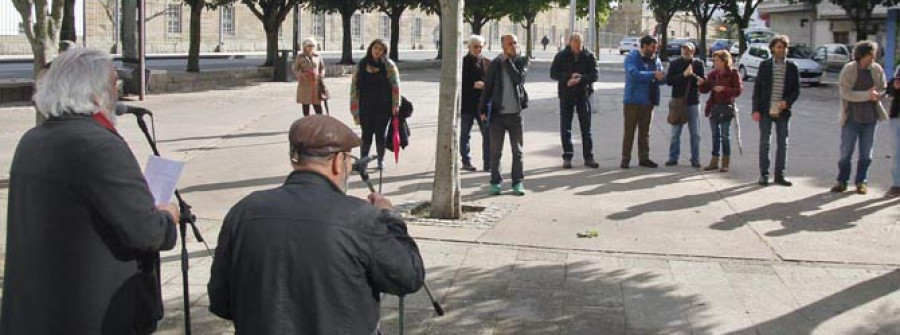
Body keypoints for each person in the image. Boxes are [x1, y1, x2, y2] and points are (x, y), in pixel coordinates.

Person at [1, 47, 179, 334]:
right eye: (112, 84)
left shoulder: (32, 139)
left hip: (41, 309)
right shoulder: (99, 146)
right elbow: (146, 232)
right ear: (95, 93)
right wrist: (167, 217)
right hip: (92, 315)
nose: (116, 93)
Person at [208, 115, 425, 335]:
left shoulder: (244, 210)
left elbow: (220, 301)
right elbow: (409, 276)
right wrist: (390, 217)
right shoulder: (360, 217)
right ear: (337, 161)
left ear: (294, 158)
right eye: (349, 159)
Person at [831, 41, 887, 195]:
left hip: (870, 118)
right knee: (845, 153)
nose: (873, 58)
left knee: (866, 154)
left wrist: (878, 95)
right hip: (851, 117)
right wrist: (867, 95)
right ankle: (841, 181)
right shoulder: (849, 69)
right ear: (862, 55)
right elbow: (845, 93)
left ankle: (861, 181)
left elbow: (883, 88)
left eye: (874, 55)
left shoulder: (877, 69)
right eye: (870, 55)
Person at [479, 34, 530, 196]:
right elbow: (487, 87)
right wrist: (481, 110)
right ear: (503, 46)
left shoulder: (522, 61)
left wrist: (508, 61)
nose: (513, 46)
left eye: (515, 42)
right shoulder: (495, 64)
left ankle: (517, 182)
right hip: (497, 115)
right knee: (495, 151)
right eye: (510, 43)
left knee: (517, 151)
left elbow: (518, 79)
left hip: (515, 114)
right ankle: (495, 182)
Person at [752, 35, 801, 186]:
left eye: (784, 47)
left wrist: (787, 102)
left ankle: (780, 175)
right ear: (773, 48)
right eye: (779, 47)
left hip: (783, 111)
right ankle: (764, 174)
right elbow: (757, 88)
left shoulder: (792, 67)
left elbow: (796, 90)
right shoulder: (765, 65)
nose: (782, 50)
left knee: (782, 143)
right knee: (765, 142)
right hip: (766, 109)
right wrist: (755, 109)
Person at [550, 33, 599, 169]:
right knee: (566, 127)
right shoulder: (561, 56)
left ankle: (588, 157)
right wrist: (568, 78)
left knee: (586, 128)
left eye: (580, 45)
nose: (577, 48)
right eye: (575, 45)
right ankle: (567, 156)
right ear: (570, 43)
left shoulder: (588, 56)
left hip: (583, 94)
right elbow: (553, 73)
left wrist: (581, 78)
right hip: (567, 94)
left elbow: (595, 75)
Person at [351, 39, 401, 169]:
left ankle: (380, 159)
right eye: (375, 48)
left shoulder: (388, 65)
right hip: (365, 105)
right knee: (366, 134)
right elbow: (354, 87)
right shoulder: (362, 64)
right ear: (370, 49)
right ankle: (363, 160)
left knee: (380, 134)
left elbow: (395, 85)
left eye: (380, 49)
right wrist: (354, 106)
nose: (377, 51)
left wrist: (396, 104)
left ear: (384, 51)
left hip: (383, 105)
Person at [622, 35, 665, 169]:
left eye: (655, 48)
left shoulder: (656, 60)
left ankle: (644, 158)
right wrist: (653, 75)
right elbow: (634, 74)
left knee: (645, 132)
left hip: (648, 101)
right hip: (633, 100)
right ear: (644, 46)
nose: (654, 50)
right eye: (652, 47)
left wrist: (662, 77)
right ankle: (625, 159)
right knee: (629, 131)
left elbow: (661, 77)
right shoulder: (632, 57)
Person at [699, 50, 743, 172]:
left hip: (726, 107)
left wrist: (724, 89)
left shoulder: (733, 73)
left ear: (725, 61)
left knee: (725, 135)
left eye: (718, 60)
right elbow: (706, 89)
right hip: (714, 106)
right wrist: (701, 84)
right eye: (715, 60)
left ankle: (725, 162)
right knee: (715, 135)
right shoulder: (713, 74)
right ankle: (714, 160)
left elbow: (738, 90)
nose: (716, 63)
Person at [665, 42, 705, 168]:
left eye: (688, 49)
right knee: (675, 133)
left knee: (695, 133)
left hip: (693, 102)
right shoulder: (675, 64)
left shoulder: (698, 64)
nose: (686, 51)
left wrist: (698, 79)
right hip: (678, 101)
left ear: (693, 51)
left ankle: (695, 159)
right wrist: (683, 75)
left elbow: (702, 81)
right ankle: (673, 157)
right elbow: (669, 81)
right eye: (684, 49)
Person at [461, 35, 491, 172]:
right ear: (469, 47)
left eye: (480, 47)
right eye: (475, 47)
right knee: (465, 133)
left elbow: (491, 83)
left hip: (482, 104)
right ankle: (466, 161)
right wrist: (473, 85)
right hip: (467, 103)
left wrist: (485, 85)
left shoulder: (486, 62)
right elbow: (460, 83)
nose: (478, 49)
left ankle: (488, 162)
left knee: (487, 133)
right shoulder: (462, 62)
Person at [293, 37, 327, 116]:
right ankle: (306, 122)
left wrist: (321, 75)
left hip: (316, 84)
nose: (310, 48)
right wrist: (302, 75)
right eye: (309, 46)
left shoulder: (318, 56)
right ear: (304, 46)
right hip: (305, 84)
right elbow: (296, 69)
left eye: (312, 46)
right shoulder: (300, 56)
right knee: (305, 104)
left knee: (317, 105)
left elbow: (322, 68)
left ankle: (319, 121)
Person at [885, 66, 900, 197]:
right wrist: (894, 87)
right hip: (896, 118)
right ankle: (897, 185)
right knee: (896, 153)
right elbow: (888, 89)